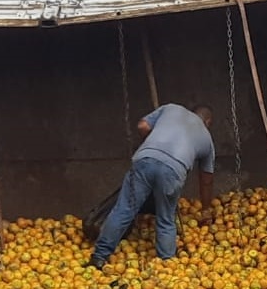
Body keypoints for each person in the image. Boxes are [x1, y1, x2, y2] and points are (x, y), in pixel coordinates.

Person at [88, 103, 215, 269]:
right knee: (166, 219)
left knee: (124, 210)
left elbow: (142, 125)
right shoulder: (207, 138)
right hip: (173, 171)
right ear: (208, 122)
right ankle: (166, 265)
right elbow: (206, 179)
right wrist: (205, 208)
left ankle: (99, 257)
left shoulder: (171, 108)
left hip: (144, 159)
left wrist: (152, 141)